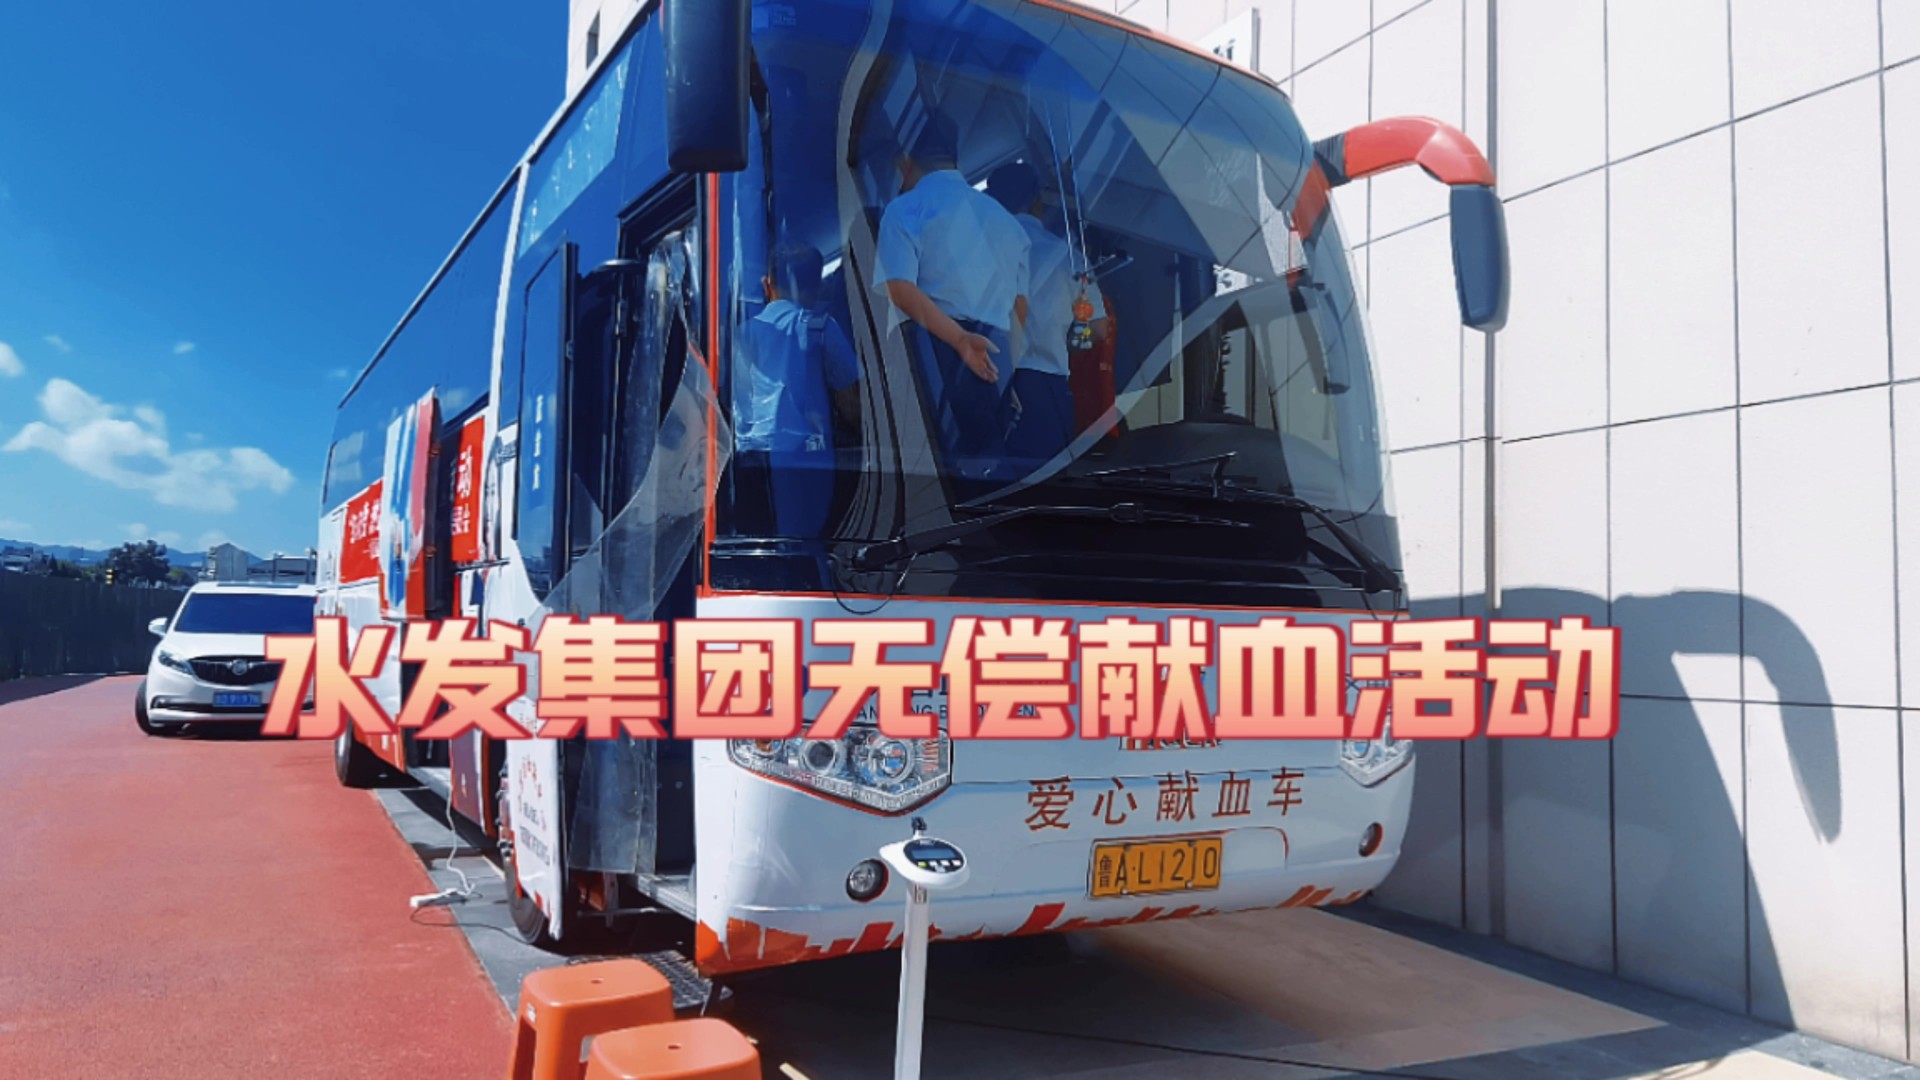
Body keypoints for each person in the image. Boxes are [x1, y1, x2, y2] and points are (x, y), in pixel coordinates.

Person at [872, 111, 1030, 470]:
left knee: (941, 473)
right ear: (955, 159)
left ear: (905, 163)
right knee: (993, 469)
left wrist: (959, 340)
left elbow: (899, 288)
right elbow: (1019, 309)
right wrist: (1013, 376)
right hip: (996, 355)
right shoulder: (1007, 222)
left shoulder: (906, 209)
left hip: (936, 352)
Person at [733, 244, 861, 538]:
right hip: (807, 462)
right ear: (819, 287)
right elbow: (852, 405)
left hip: (750, 460)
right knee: (808, 539)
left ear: (767, 284)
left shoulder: (742, 334)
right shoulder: (820, 328)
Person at [987, 162, 1109, 463]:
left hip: (985, 383)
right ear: (1038, 201)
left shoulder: (974, 254)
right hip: (1046, 389)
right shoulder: (1069, 257)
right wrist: (1068, 341)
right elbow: (1099, 329)